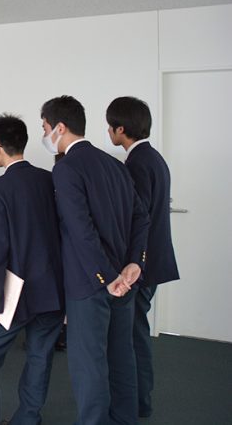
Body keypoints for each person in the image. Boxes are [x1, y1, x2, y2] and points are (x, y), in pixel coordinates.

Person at [41, 95, 150, 425]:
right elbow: (141, 218)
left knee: (89, 365)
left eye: (45, 128)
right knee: (121, 358)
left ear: (60, 127)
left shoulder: (66, 169)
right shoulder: (115, 164)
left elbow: (81, 231)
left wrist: (106, 277)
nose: (44, 135)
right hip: (124, 281)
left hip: (91, 284)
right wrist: (134, 263)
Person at [0, 114, 65, 425]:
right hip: (52, 288)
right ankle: (27, 419)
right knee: (40, 357)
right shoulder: (50, 180)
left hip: (14, 295)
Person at [107, 96, 180, 419]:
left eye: (110, 126)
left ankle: (138, 401)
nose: (108, 132)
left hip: (142, 264)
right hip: (153, 259)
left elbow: (138, 219)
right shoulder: (153, 158)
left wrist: (131, 263)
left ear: (121, 129)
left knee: (133, 336)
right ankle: (140, 399)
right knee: (137, 331)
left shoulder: (137, 164)